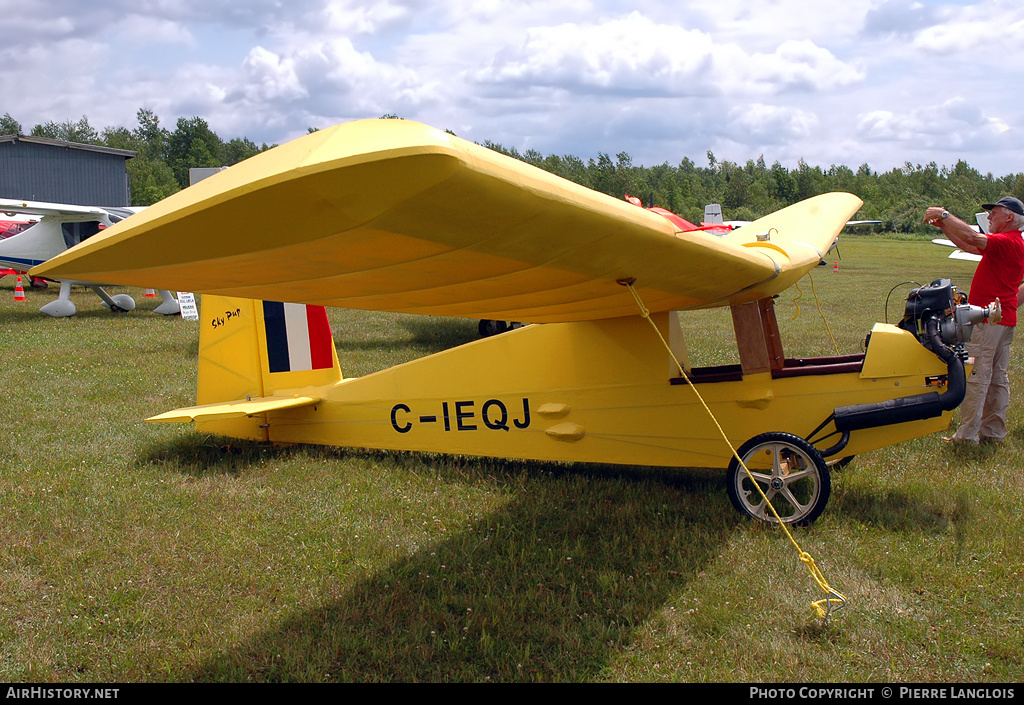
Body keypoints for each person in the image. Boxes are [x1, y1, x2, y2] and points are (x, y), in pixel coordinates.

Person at [924, 197, 1024, 444]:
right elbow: (970, 246)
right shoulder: (1012, 243)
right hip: (1005, 317)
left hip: (988, 320)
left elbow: (973, 239)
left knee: (977, 375)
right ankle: (993, 432)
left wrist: (945, 215)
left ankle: (967, 435)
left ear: (1009, 217)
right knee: (998, 377)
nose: (989, 218)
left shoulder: (1006, 241)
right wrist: (945, 227)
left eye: (994, 214)